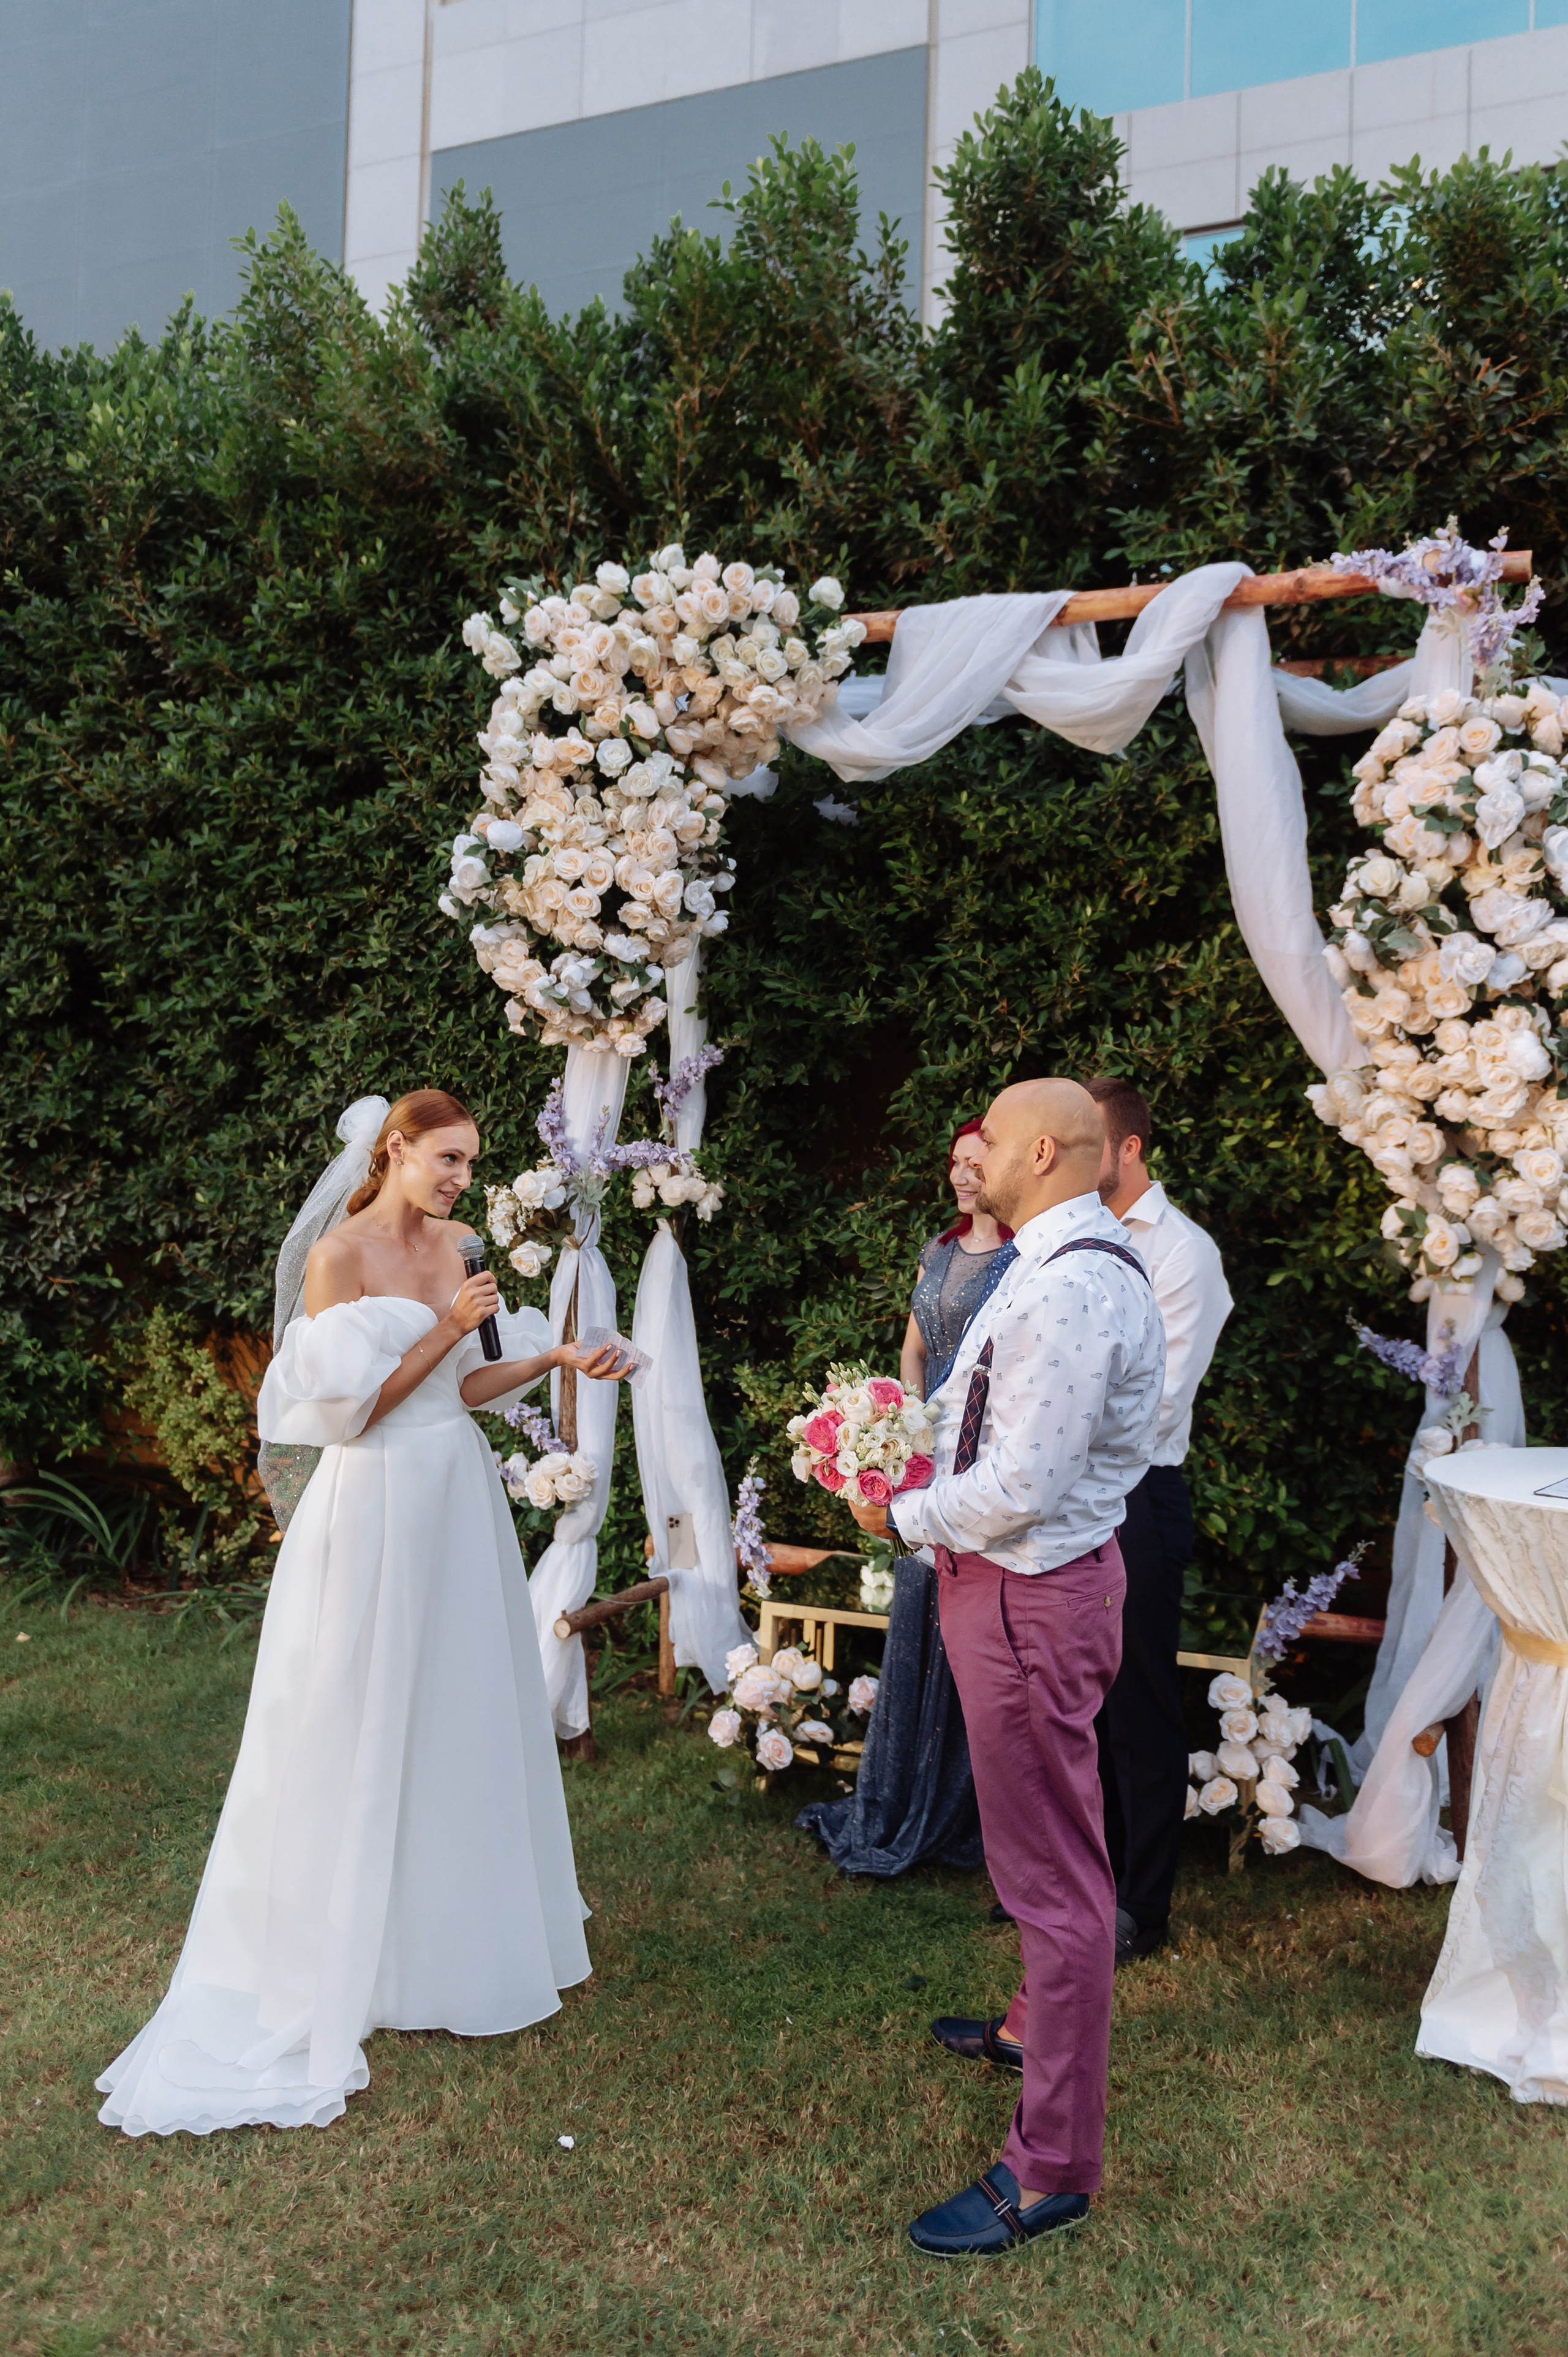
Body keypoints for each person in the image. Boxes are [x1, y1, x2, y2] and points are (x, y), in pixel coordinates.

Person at [97, 1090, 630, 2138]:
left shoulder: (465, 1242)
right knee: (353, 1707)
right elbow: (354, 1408)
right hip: (373, 1498)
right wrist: (444, 1326)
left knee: (458, 1706)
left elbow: (470, 1388)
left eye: (471, 1164)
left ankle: (453, 1941)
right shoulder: (336, 1260)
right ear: (395, 1150)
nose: (460, 1181)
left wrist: (553, 1360)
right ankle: (337, 1940)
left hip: (455, 1500)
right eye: (446, 1159)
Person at [846, 1079, 1164, 2254]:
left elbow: (1023, 1486)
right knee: (1038, 1851)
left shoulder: (1078, 1280)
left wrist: (902, 1518)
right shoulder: (1042, 1257)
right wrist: (886, 1445)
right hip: (1010, 1589)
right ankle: (1036, 2029)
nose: (968, 1139)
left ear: (1040, 1148)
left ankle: (1052, 2165)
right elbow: (973, 1412)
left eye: (985, 1124)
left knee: (1057, 1878)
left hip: (1032, 1596)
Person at [796, 1121, 1014, 1878]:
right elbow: (915, 1347)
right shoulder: (938, 1250)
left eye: (976, 1164)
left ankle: (959, 1810)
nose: (961, 1177)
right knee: (918, 1614)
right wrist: (899, 1437)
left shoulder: (1026, 1259)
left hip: (984, 1462)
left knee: (971, 1632)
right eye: (954, 1163)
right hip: (925, 1460)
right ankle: (897, 1796)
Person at [1085, 1073, 1232, 1963]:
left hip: (1139, 1496)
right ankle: (1079, 1885)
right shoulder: (1073, 1237)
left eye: (1085, 1136)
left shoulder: (1184, 1253)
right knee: (1074, 1698)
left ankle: (1143, 1903)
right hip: (1067, 1491)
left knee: (1136, 1700)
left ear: (1130, 1147)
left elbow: (1156, 1397)